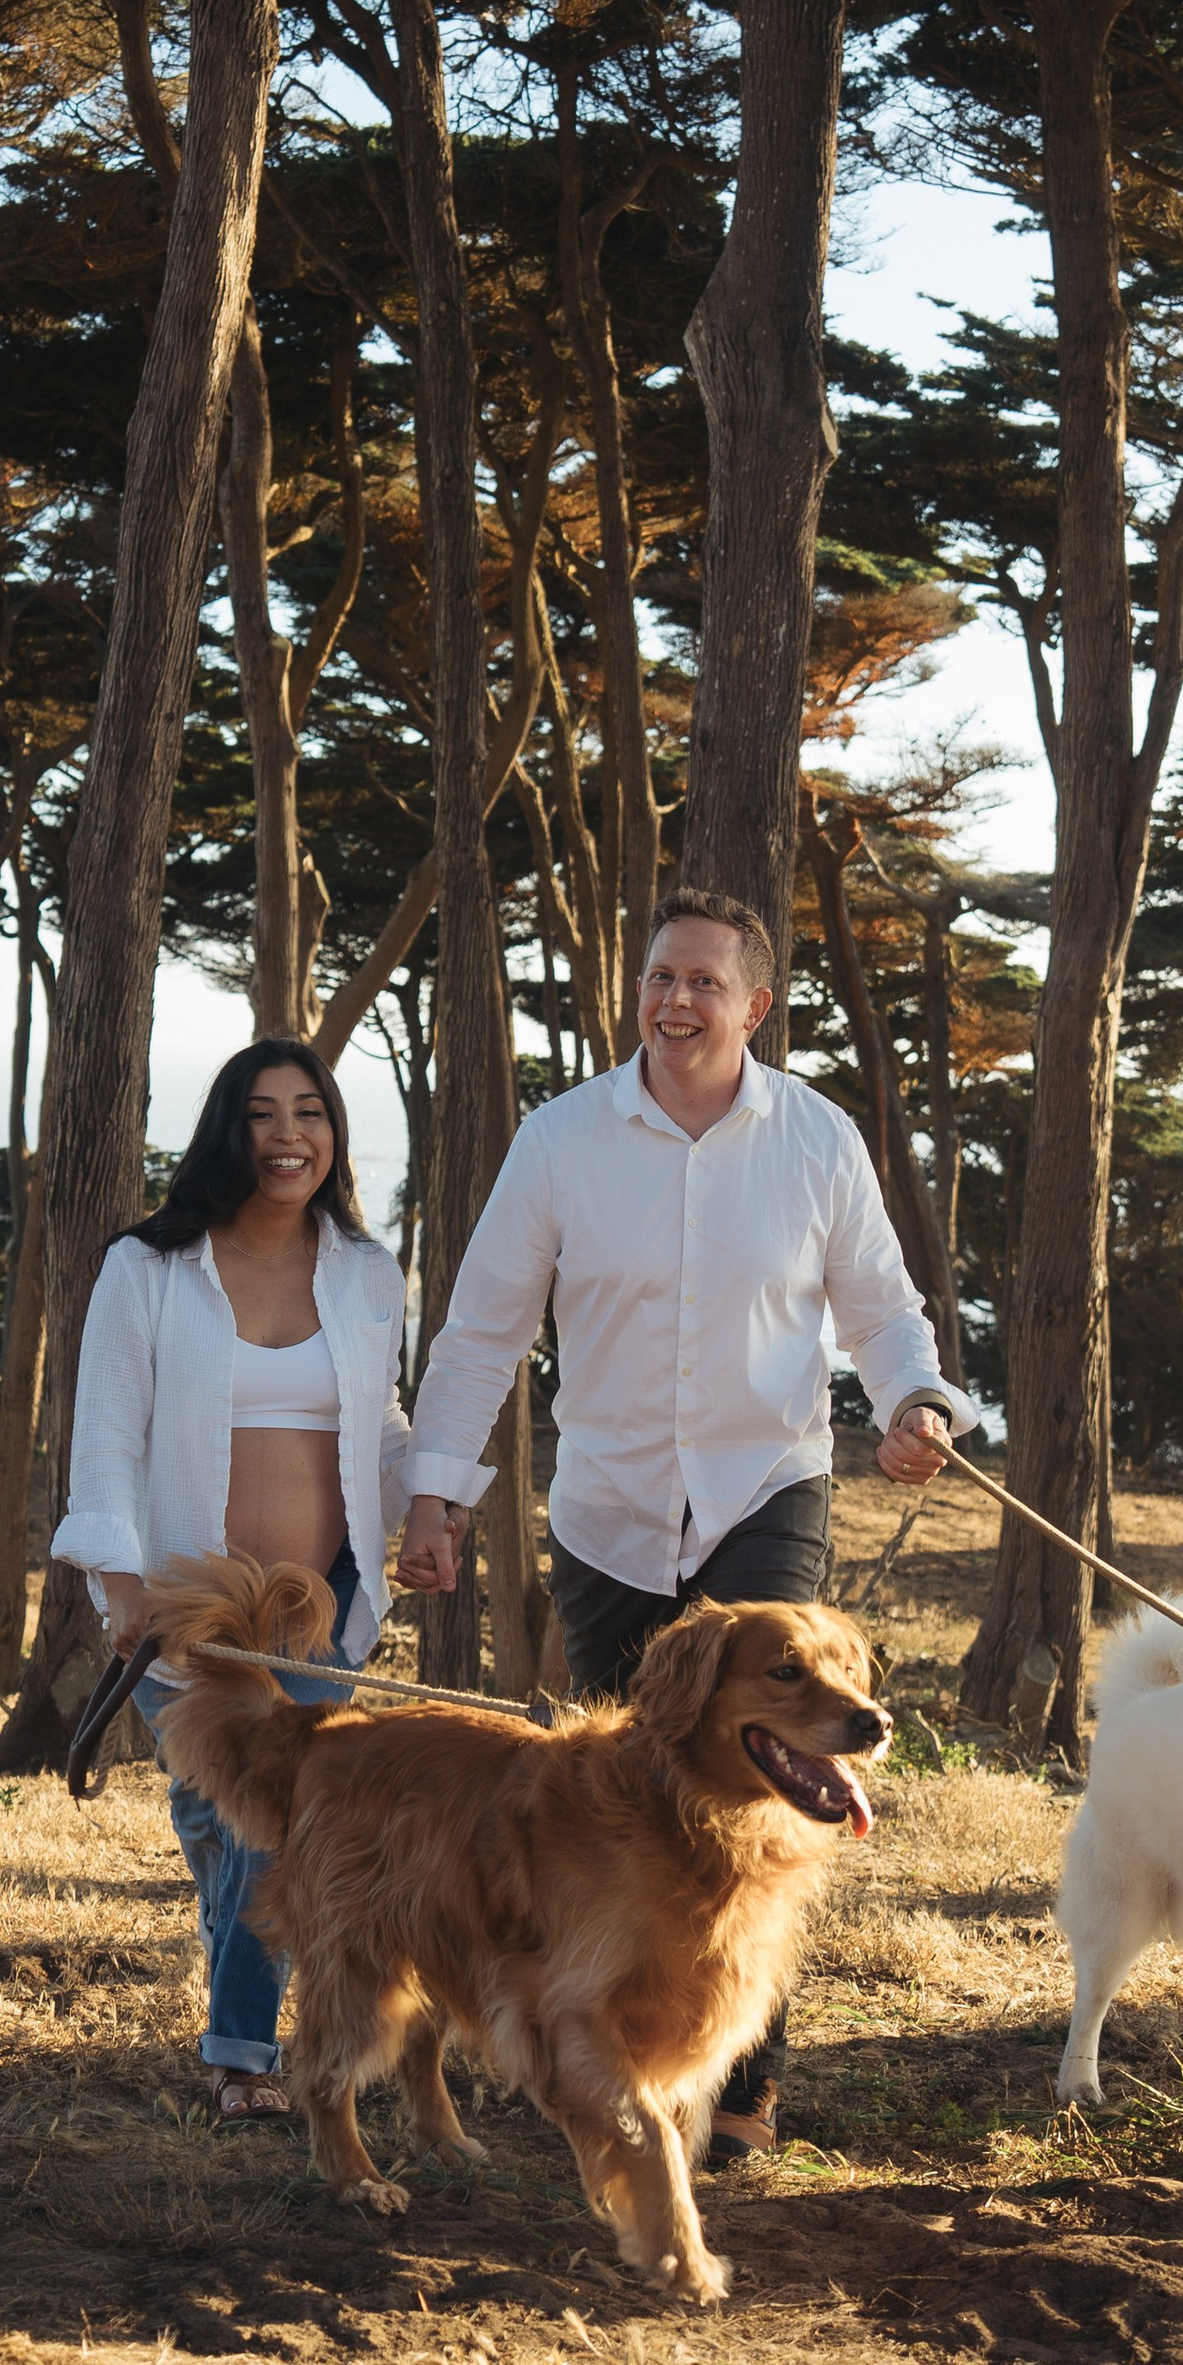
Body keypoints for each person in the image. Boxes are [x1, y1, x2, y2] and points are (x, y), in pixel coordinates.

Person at [397, 885, 972, 2162]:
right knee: (626, 1804)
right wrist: (432, 1493)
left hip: (766, 1493)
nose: (675, 999)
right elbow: (485, 1327)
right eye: (660, 976)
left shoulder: (816, 1140)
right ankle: (620, 2066)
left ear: (755, 1005)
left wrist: (916, 1401)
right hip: (605, 1512)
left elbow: (881, 1309)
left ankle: (745, 2096)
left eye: (705, 980)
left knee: (768, 1786)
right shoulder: (560, 1142)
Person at [54, 1038, 413, 2122]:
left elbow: (382, 1422)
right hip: (189, 1614)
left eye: (310, 1111)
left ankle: (243, 2058)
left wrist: (432, 1502)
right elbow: (107, 1439)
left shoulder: (365, 1270)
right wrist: (124, 1594)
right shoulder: (149, 1267)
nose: (289, 1133)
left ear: (334, 1135)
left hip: (318, 1610)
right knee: (228, 1829)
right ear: (228, 1130)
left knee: (280, 1822)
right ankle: (248, 2026)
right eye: (262, 1114)